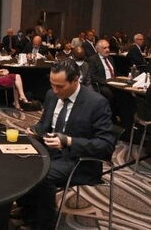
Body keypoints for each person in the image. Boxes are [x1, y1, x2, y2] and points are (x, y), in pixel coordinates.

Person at [17, 58, 115, 230]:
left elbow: (106, 145)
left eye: (60, 86)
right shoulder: (51, 95)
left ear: (76, 80)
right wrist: (34, 130)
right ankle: (28, 210)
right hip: (49, 150)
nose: (54, 90)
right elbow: (44, 124)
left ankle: (43, 223)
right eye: (52, 84)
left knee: (41, 173)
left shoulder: (96, 103)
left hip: (77, 159)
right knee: (18, 160)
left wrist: (69, 141)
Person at [0, 39, 38, 111]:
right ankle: (22, 97)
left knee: (16, 81)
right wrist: (3, 73)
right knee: (17, 76)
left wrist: (1, 70)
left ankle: (17, 103)